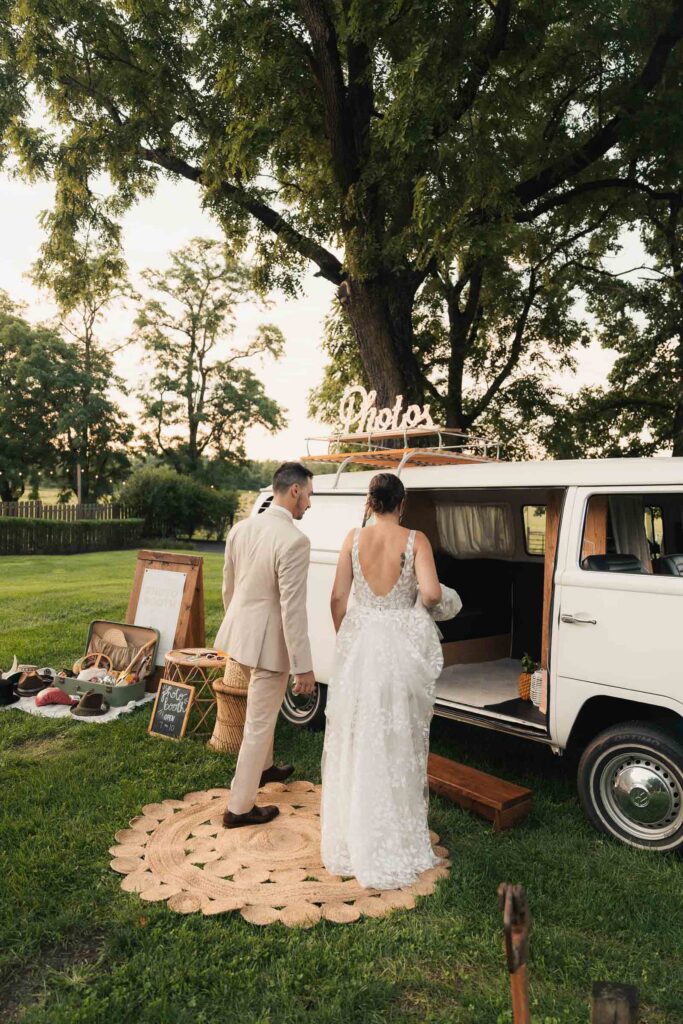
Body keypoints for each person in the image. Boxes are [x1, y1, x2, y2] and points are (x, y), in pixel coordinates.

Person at [320, 472, 452, 889]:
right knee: (397, 735)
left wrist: (346, 636)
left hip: (361, 645)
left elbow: (337, 598)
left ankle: (352, 831)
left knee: (357, 735)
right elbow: (432, 594)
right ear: (402, 503)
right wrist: (416, 609)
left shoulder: (353, 538)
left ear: (370, 502)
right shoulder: (415, 540)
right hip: (397, 647)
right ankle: (391, 831)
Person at [215, 461, 316, 829]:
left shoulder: (240, 529)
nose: (309, 503)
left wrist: (239, 629)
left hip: (238, 637)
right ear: (294, 491)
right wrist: (304, 667)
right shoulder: (294, 541)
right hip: (269, 649)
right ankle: (239, 808)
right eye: (309, 495)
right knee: (258, 724)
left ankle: (266, 768)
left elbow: (228, 588)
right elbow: (293, 610)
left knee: (262, 711)